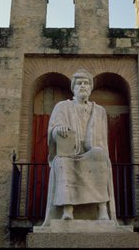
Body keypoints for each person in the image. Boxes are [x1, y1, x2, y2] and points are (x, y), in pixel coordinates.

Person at [41, 69, 116, 226]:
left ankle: (102, 209)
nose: (83, 86)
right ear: (73, 88)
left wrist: (96, 148)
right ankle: (68, 210)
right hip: (70, 152)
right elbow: (52, 129)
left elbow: (102, 140)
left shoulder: (100, 111)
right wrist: (58, 130)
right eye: (79, 83)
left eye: (86, 83)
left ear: (90, 88)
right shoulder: (62, 107)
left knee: (100, 155)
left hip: (90, 152)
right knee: (62, 162)